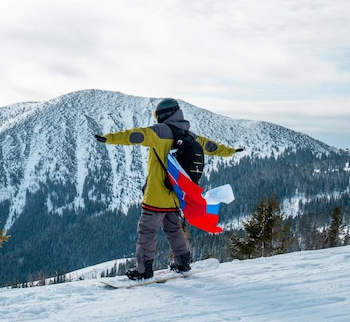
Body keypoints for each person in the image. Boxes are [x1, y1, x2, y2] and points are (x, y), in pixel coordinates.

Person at [94, 98, 243, 280]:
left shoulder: (160, 131)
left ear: (163, 115)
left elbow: (135, 135)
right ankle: (183, 262)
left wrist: (109, 138)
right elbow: (211, 147)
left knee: (147, 231)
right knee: (173, 229)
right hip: (176, 194)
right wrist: (230, 151)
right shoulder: (188, 135)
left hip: (156, 196)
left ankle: (143, 269)